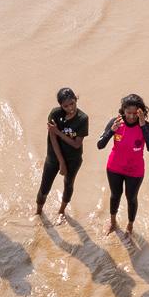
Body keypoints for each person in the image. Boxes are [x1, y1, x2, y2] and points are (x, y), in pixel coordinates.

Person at [97, 93, 149, 240]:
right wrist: (111, 130)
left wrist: (142, 126)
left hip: (135, 171)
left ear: (141, 112)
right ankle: (113, 222)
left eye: (134, 113)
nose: (130, 116)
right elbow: (100, 145)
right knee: (115, 195)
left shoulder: (147, 126)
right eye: (127, 113)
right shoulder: (115, 122)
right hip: (114, 167)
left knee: (131, 198)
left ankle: (130, 225)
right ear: (123, 110)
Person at [37, 88, 89, 218]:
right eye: (65, 106)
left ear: (76, 100)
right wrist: (61, 162)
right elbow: (52, 138)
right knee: (44, 187)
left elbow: (77, 144)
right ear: (60, 105)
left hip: (73, 159)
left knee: (68, 184)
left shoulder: (82, 118)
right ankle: (38, 211)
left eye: (72, 103)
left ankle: (61, 211)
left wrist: (58, 132)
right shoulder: (55, 114)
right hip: (54, 157)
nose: (70, 108)